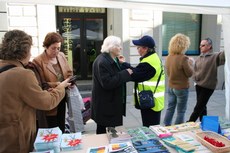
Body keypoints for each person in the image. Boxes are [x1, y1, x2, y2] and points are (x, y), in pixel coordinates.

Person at [0, 29, 70, 153]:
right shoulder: (23, 74)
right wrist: (61, 87)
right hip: (16, 140)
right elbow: (47, 102)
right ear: (25, 51)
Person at [120, 35, 165, 127]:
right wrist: (125, 64)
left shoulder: (149, 63)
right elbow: (138, 71)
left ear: (145, 48)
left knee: (151, 129)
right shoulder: (152, 58)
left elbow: (135, 75)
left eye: (138, 47)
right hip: (151, 100)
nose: (137, 49)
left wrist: (123, 66)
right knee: (151, 128)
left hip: (151, 103)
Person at [91, 35, 133, 134]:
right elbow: (107, 83)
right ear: (111, 47)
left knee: (110, 131)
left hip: (109, 103)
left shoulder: (111, 59)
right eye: (118, 46)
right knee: (102, 132)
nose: (121, 48)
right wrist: (125, 73)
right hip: (105, 104)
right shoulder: (102, 61)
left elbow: (114, 74)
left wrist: (121, 63)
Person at [33, 32, 73, 133]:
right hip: (50, 97)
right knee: (52, 126)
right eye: (53, 48)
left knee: (61, 123)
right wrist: (59, 85)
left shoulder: (61, 56)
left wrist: (70, 80)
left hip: (63, 94)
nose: (56, 51)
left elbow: (68, 72)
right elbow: (41, 83)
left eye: (58, 48)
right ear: (46, 46)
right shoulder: (38, 61)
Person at [188, 38, 225, 122]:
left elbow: (225, 54)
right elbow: (195, 71)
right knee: (202, 106)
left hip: (208, 86)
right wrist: (195, 77)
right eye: (200, 45)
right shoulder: (199, 57)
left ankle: (190, 122)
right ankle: (203, 123)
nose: (200, 47)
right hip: (199, 85)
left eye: (203, 45)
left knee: (199, 106)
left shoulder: (215, 56)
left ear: (209, 46)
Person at [163, 33, 194, 126]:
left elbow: (169, 72)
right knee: (181, 111)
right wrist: (191, 63)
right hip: (181, 88)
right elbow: (190, 73)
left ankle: (166, 125)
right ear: (183, 45)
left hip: (171, 87)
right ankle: (178, 128)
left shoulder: (168, 57)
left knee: (170, 108)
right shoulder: (183, 58)